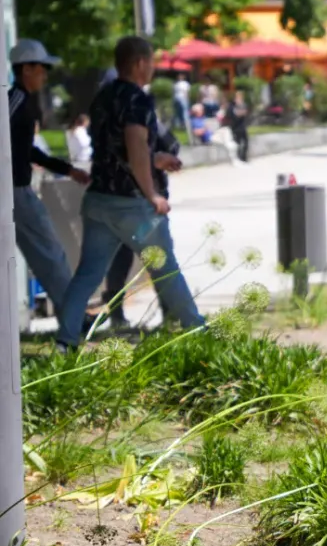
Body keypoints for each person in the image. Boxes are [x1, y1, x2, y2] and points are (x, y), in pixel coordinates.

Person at [56, 36, 204, 349]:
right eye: (150, 62)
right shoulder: (138, 100)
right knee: (166, 270)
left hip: (98, 200)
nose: (153, 68)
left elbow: (114, 152)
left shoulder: (102, 97)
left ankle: (65, 340)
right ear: (138, 63)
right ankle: (198, 333)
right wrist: (152, 194)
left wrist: (154, 159)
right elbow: (135, 145)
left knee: (86, 275)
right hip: (131, 204)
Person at [8, 39, 91, 313]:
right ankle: (74, 318)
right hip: (14, 193)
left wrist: (67, 169)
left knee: (47, 253)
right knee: (50, 251)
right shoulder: (15, 101)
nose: (45, 74)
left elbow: (27, 149)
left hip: (17, 190)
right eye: (42, 68)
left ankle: (72, 315)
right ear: (26, 69)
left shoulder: (24, 102)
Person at [102, 109, 183, 332]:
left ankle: (167, 312)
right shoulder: (126, 122)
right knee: (141, 257)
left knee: (146, 257)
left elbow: (173, 146)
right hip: (134, 200)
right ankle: (122, 313)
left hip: (137, 200)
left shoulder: (144, 120)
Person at [226, 89, 250, 162]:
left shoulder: (243, 104)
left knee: (246, 142)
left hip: (242, 127)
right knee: (238, 143)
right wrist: (239, 113)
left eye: (241, 97)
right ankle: (238, 157)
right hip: (235, 127)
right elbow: (231, 114)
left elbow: (244, 113)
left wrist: (240, 112)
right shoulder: (231, 106)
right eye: (238, 97)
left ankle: (244, 157)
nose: (239, 99)